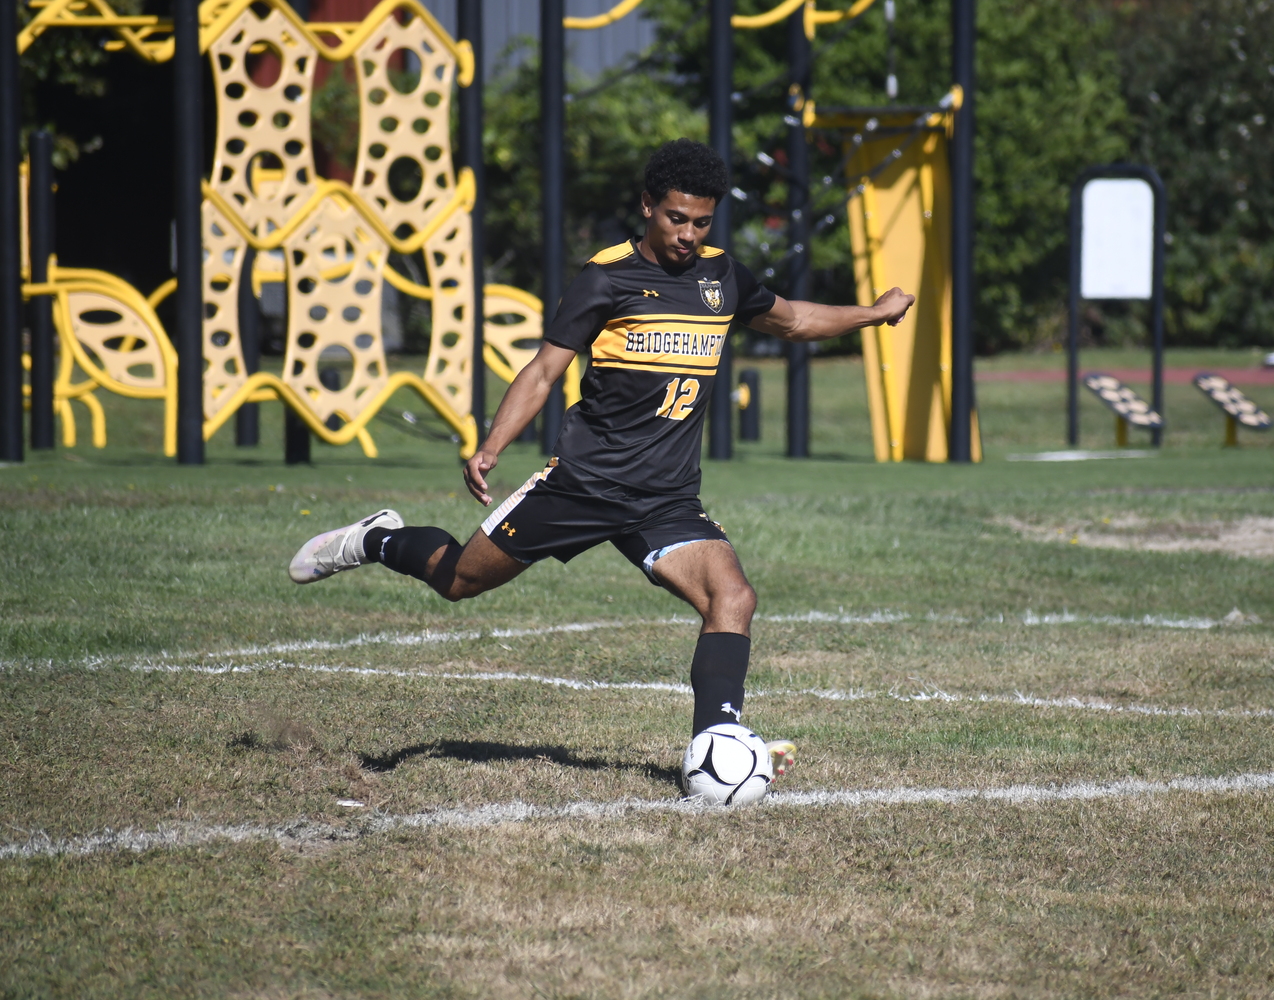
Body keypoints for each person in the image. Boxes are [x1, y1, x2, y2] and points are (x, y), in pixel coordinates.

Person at [288, 138, 914, 791]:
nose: (688, 235)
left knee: (733, 596)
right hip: (583, 485)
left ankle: (718, 744)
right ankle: (377, 538)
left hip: (665, 497)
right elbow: (544, 370)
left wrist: (872, 313)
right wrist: (493, 444)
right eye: (676, 218)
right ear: (648, 206)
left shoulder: (722, 276)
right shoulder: (605, 279)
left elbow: (791, 320)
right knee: (457, 581)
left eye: (702, 222)